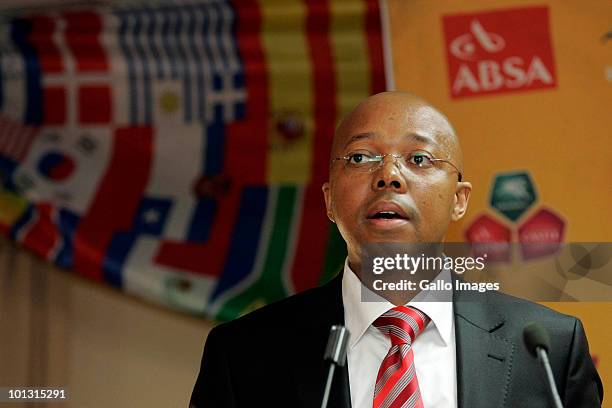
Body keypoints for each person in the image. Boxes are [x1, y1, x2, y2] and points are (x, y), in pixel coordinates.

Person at [190, 91, 603, 407]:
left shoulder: (548, 350)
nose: (388, 175)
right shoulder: (243, 355)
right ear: (330, 200)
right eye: (361, 157)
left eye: (419, 158)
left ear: (460, 199)